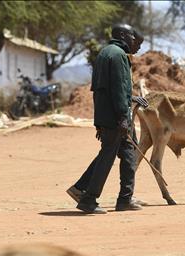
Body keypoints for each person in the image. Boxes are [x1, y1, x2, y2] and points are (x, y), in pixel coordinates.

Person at [67, 24, 145, 214]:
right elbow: (117, 90)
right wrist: (122, 118)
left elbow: (110, 89)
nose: (134, 41)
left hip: (110, 114)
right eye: (132, 37)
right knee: (107, 157)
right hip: (116, 117)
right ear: (122, 35)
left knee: (128, 153)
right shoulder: (117, 55)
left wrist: (131, 99)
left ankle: (125, 198)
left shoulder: (106, 53)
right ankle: (88, 199)